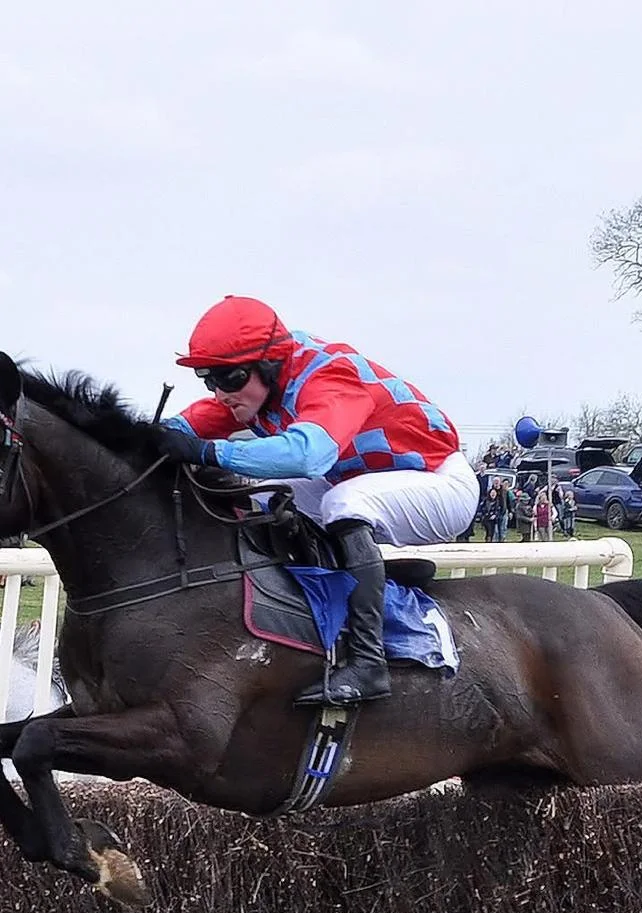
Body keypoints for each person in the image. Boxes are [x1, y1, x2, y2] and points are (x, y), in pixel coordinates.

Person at [154, 296, 478, 705]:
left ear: (268, 364)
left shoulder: (329, 376)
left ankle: (368, 663)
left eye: (229, 378)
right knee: (268, 492)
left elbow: (310, 455)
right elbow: (186, 425)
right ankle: (328, 602)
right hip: (372, 480)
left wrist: (208, 452)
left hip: (441, 482)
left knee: (343, 502)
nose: (220, 393)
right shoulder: (258, 389)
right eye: (209, 379)